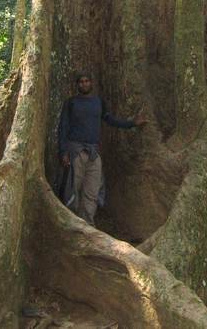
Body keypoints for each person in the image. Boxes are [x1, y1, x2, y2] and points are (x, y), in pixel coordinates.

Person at [58, 72, 147, 226]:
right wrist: (63, 152)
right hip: (76, 151)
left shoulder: (98, 102)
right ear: (77, 85)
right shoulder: (71, 103)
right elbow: (63, 127)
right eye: (81, 82)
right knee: (73, 189)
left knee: (92, 191)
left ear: (91, 83)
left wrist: (132, 123)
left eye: (87, 81)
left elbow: (110, 119)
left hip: (93, 153)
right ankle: (71, 225)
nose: (84, 84)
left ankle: (88, 226)